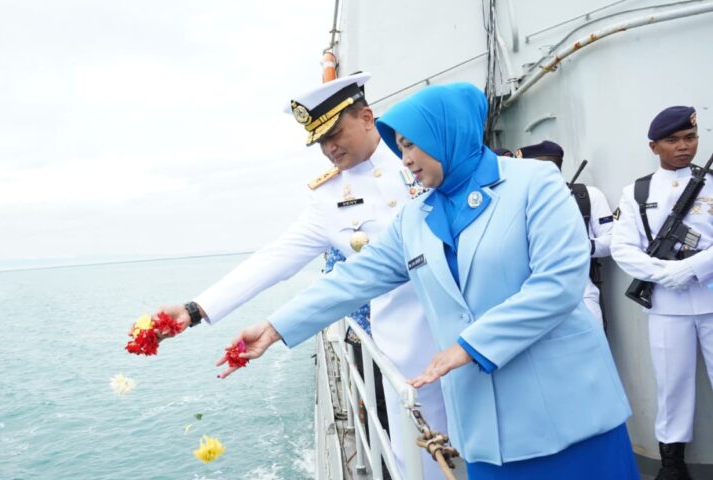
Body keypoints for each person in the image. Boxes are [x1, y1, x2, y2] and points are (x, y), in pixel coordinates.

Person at [219, 83, 638, 480]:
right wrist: (274, 327)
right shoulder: (415, 219)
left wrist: (469, 345)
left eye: (411, 144)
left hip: (570, 411)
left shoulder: (533, 183)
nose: (404, 159)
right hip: (485, 431)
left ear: (446, 132)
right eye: (400, 148)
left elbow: (558, 285)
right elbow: (352, 280)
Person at [153, 72, 447, 478]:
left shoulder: (420, 155)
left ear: (366, 117)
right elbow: (276, 257)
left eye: (335, 134)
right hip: (406, 352)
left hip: (468, 334)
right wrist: (194, 310)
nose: (329, 149)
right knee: (422, 463)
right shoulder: (328, 197)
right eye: (320, 141)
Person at [611, 105, 713, 480]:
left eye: (690, 138)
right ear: (654, 146)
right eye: (672, 140)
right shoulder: (637, 192)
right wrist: (667, 273)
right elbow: (623, 248)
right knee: (671, 385)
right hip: (667, 306)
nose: (683, 146)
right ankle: (671, 463)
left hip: (711, 296)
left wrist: (693, 267)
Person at [516, 140, 614, 328]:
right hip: (531, 301)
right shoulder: (515, 205)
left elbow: (612, 241)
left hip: (582, 296)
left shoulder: (587, 196)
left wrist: (578, 245)